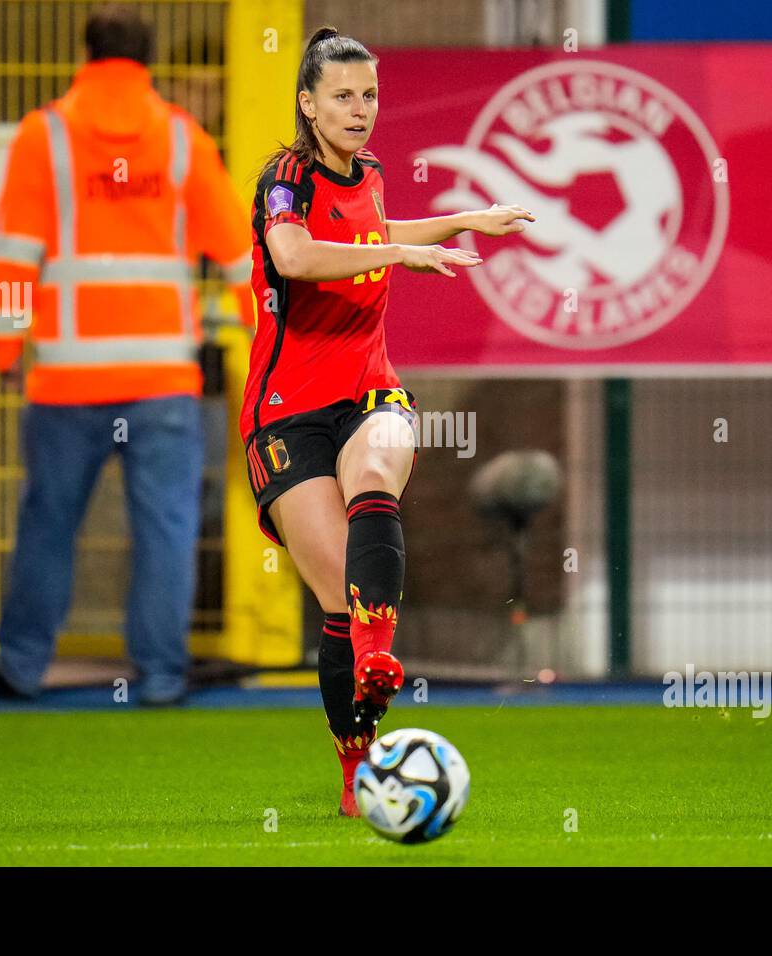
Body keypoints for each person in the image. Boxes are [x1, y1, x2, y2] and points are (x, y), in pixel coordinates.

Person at [243, 27, 533, 815]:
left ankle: (379, 658)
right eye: (342, 95)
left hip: (368, 390)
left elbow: (374, 236)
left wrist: (464, 219)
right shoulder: (284, 178)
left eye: (369, 94)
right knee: (341, 594)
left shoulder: (367, 172)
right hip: (286, 413)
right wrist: (399, 259)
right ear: (307, 103)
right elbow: (298, 256)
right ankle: (356, 766)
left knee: (377, 472)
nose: (359, 109)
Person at [0, 3, 254, 706]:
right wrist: (272, 339)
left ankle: (23, 664)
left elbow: (12, 258)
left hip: (67, 379)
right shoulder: (183, 140)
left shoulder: (46, 135)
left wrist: (5, 347)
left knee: (48, 521)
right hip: (162, 380)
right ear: (148, 59)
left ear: (86, 51)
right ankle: (159, 676)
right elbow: (243, 254)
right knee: (166, 527)